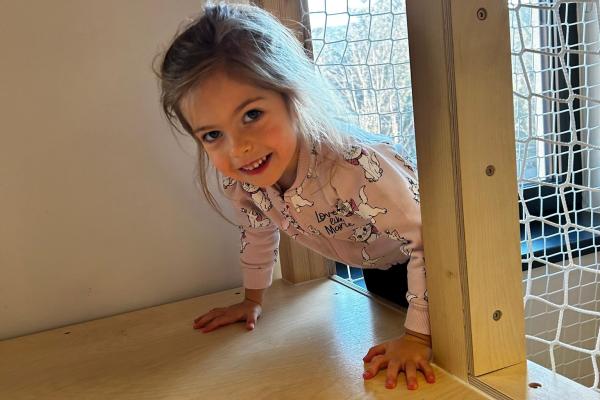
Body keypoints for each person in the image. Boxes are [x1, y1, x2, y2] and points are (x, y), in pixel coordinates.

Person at [156, 3, 435, 391]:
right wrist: (252, 300)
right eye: (213, 135)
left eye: (252, 115)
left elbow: (430, 240)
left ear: (293, 94)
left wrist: (418, 336)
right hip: (378, 271)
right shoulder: (247, 179)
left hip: (438, 268)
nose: (239, 148)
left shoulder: (353, 165)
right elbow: (257, 232)